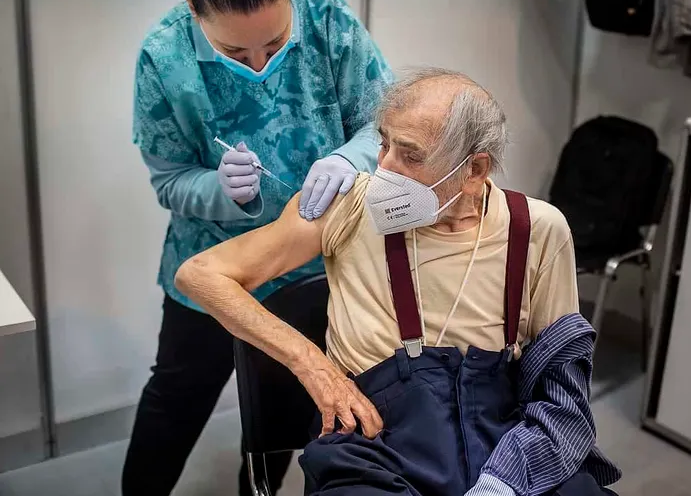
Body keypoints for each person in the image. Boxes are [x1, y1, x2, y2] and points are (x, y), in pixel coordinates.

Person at [175, 69, 621, 496]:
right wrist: (312, 363)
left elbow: (562, 392)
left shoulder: (536, 229)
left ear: (474, 170)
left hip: (501, 441)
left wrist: (504, 483)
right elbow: (201, 275)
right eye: (384, 143)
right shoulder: (346, 206)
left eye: (410, 155)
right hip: (375, 447)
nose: (383, 169)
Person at [122, 0, 392, 492]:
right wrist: (216, 191)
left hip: (309, 263)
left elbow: (385, 123)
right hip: (213, 269)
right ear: (195, 11)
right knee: (176, 397)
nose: (260, 65)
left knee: (278, 418)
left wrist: (353, 155)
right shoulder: (163, 56)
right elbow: (169, 181)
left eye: (274, 46)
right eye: (235, 54)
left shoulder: (327, 20)